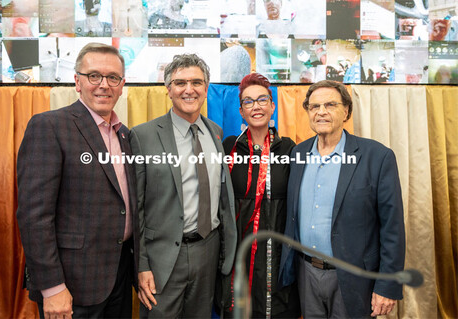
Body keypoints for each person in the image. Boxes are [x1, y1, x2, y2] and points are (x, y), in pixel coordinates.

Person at [16, 42, 138, 319]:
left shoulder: (126, 136)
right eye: (94, 75)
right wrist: (52, 287)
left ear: (122, 85)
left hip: (119, 275)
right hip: (71, 285)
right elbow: (34, 216)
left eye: (112, 78)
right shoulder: (49, 126)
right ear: (77, 82)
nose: (103, 85)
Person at [279, 80, 405, 318]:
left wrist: (387, 285)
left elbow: (393, 228)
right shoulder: (298, 154)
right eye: (314, 106)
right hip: (306, 274)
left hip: (354, 279)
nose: (321, 112)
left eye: (330, 105)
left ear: (346, 111)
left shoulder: (377, 157)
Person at [129, 53, 237, 318]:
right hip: (161, 260)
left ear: (206, 87)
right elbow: (137, 208)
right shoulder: (142, 136)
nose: (189, 89)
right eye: (180, 83)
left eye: (197, 82)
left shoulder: (215, 132)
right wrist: (141, 265)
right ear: (168, 89)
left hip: (207, 252)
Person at [216, 73, 299, 318]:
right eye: (249, 102)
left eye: (262, 99)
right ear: (241, 111)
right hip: (238, 250)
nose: (256, 106)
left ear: (272, 106)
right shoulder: (229, 147)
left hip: (276, 250)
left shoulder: (289, 148)